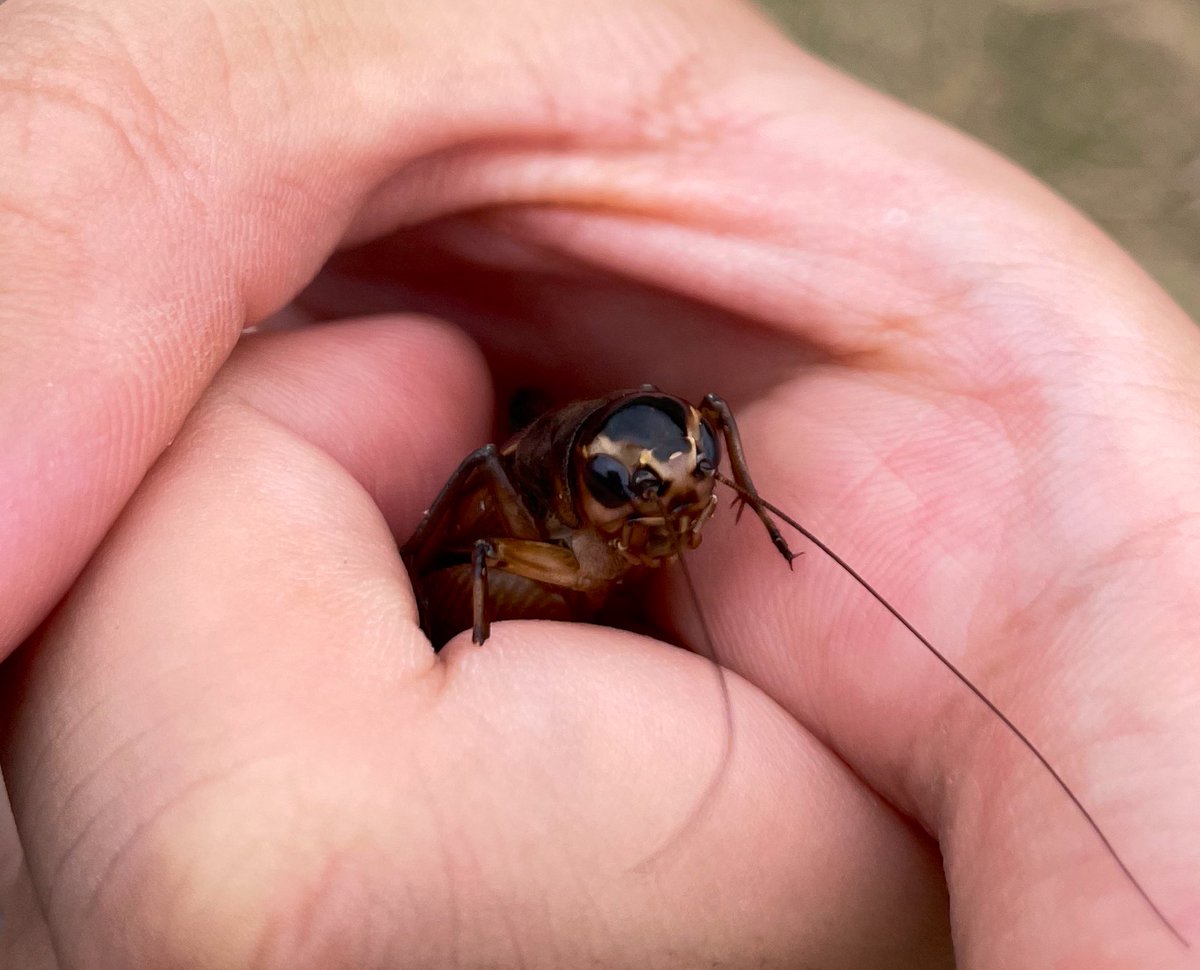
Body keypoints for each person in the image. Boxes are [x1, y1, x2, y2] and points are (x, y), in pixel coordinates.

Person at [1, 1, 1196, 966]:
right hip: (493, 550)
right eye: (651, 493)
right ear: (593, 486)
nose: (683, 504)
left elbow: (707, 436)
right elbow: (483, 487)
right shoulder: (543, 509)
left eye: (697, 477)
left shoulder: (694, 447)